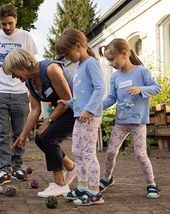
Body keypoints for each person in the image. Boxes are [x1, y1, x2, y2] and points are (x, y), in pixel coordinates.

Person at [4, 48, 77, 198]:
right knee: (39, 138)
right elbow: (35, 110)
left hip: (77, 108)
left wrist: (49, 121)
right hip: (63, 109)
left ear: (21, 65)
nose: (13, 76)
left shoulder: (51, 69)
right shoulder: (30, 82)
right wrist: (22, 136)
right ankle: (71, 167)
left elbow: (67, 100)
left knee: (49, 136)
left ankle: (60, 184)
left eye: (13, 72)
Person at [99, 38, 161, 199]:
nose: (111, 63)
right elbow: (111, 98)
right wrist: (95, 107)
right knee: (111, 151)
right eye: (108, 60)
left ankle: (151, 184)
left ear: (124, 54)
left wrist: (140, 89)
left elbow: (156, 88)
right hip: (121, 123)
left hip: (138, 122)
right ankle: (107, 178)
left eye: (112, 59)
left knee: (140, 154)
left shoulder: (141, 72)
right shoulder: (115, 77)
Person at [0, 3, 38, 185]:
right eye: (3, 24)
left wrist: (33, 88)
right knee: (2, 133)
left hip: (20, 92)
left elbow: (32, 63)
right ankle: (4, 170)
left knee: (19, 133)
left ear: (16, 20)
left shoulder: (26, 36)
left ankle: (16, 167)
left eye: (10, 23)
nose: (7, 27)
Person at [56, 28, 105, 206]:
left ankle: (95, 192)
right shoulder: (79, 66)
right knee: (77, 151)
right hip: (80, 115)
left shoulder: (91, 63)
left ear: (78, 46)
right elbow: (82, 94)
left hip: (90, 116)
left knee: (88, 153)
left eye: (68, 54)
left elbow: (100, 88)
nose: (67, 58)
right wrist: (68, 103)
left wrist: (89, 110)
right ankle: (83, 186)